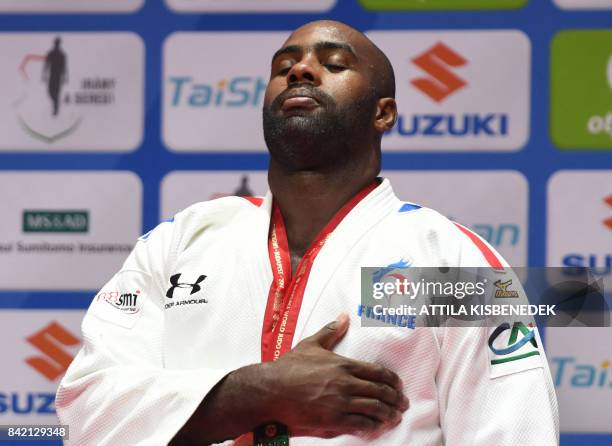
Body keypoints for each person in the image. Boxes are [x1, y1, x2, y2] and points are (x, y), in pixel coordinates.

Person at [56, 20, 558, 445]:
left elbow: (515, 432)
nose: (300, 70)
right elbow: (86, 410)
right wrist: (256, 392)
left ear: (383, 112)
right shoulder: (181, 240)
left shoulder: (452, 259)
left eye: (334, 63)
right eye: (283, 66)